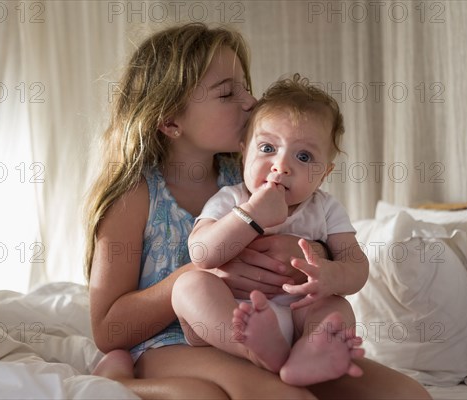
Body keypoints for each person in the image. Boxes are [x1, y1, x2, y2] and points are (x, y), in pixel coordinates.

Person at [85, 22, 431, 399]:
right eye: (227, 93)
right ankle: (120, 383)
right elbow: (107, 330)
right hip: (171, 343)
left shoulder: (254, 173)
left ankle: (283, 356)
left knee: (408, 395)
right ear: (171, 120)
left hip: (275, 328)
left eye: (246, 87)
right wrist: (210, 267)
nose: (250, 101)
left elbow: (320, 229)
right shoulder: (135, 196)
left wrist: (311, 255)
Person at [171, 74, 368, 386]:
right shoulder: (233, 199)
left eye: (303, 156)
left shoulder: (325, 208)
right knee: (188, 287)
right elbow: (200, 253)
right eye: (267, 147)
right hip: (235, 314)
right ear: (243, 153)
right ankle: (254, 349)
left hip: (301, 314)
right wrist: (251, 216)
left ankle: (310, 355)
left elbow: (357, 265)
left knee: (336, 308)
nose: (281, 165)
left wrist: (331, 275)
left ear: (324, 174)